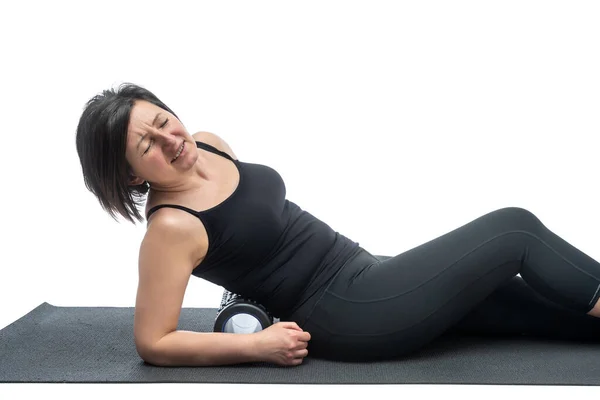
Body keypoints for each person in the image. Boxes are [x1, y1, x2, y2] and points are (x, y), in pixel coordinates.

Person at [76, 83, 600, 367]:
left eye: (163, 121)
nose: (171, 140)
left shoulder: (211, 142)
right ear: (127, 173)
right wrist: (253, 346)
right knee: (514, 231)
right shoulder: (170, 228)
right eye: (148, 145)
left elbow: (250, 237)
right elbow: (154, 341)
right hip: (348, 315)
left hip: (367, 272)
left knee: (545, 309)